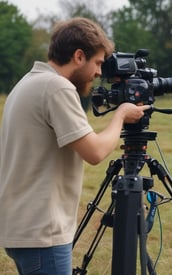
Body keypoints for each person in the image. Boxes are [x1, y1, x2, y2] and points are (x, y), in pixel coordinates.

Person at [0, 17, 150, 274]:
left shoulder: (26, 83)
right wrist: (121, 116)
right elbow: (95, 152)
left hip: (20, 228)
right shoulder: (56, 87)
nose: (100, 73)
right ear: (79, 56)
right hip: (42, 233)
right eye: (98, 63)